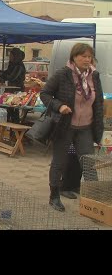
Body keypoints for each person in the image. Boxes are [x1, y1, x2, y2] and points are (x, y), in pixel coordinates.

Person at [40, 43, 104, 212]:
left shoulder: (94, 76)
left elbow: (98, 103)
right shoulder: (63, 74)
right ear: (74, 57)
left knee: (89, 163)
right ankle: (54, 196)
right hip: (65, 126)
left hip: (85, 128)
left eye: (89, 56)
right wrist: (59, 106)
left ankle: (95, 201)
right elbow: (45, 93)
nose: (87, 59)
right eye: (83, 56)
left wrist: (99, 129)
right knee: (59, 162)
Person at [0, 47, 26, 123]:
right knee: (8, 110)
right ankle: (9, 129)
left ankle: (14, 131)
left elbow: (12, 77)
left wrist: (0, 74)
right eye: (9, 55)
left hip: (17, 91)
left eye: (11, 55)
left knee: (14, 111)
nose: (10, 57)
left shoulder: (19, 66)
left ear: (16, 56)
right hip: (10, 90)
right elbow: (7, 73)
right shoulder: (12, 65)